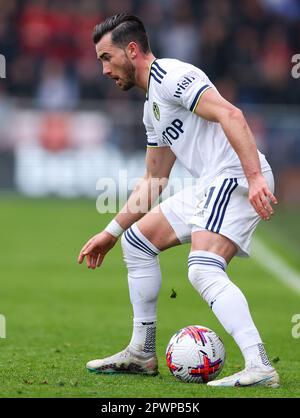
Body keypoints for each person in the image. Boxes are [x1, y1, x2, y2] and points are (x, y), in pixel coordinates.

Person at [78, 13, 280, 388]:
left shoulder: (171, 77)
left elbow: (230, 114)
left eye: (106, 57)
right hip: (212, 182)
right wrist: (111, 231)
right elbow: (155, 179)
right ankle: (142, 352)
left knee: (202, 269)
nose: (103, 69)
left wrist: (253, 178)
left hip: (233, 176)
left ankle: (260, 364)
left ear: (132, 50)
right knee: (137, 242)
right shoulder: (150, 107)